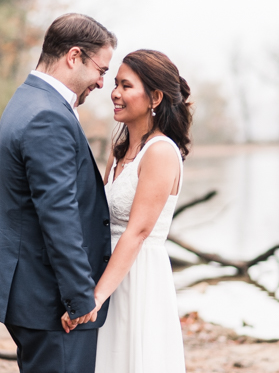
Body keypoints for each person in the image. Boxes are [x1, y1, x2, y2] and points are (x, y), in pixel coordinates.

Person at [0, 13, 117, 373]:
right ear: (74, 57)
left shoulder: (28, 99)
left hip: (28, 287)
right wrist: (79, 297)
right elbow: (58, 214)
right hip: (48, 297)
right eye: (101, 70)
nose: (102, 83)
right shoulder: (48, 116)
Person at [62, 49, 192, 373]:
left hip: (139, 278)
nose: (115, 93)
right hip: (109, 271)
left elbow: (137, 232)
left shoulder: (161, 152)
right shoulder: (120, 150)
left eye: (126, 86)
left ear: (155, 97)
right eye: (115, 84)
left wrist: (96, 296)